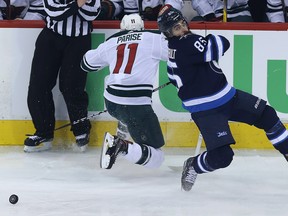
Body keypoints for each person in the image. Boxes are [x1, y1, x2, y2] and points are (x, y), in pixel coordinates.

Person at [157, 5, 288, 192]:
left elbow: (173, 76)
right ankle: (193, 165)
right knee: (222, 157)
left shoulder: (175, 50)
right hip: (207, 111)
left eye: (182, 24)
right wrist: (206, 40)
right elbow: (222, 44)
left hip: (228, 96)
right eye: (176, 28)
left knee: (267, 115)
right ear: (168, 34)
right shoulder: (187, 43)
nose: (183, 29)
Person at [81, 13, 168, 169]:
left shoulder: (112, 42)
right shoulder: (154, 38)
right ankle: (121, 146)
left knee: (124, 111)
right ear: (142, 26)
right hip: (136, 106)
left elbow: (86, 64)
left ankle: (123, 128)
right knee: (157, 158)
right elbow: (181, 53)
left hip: (112, 103)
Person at [24, 0, 101, 153]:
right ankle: (43, 133)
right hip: (50, 39)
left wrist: (73, 6)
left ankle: (81, 130)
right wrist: (78, 3)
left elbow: (92, 13)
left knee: (72, 87)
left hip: (79, 41)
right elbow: (53, 11)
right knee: (38, 86)